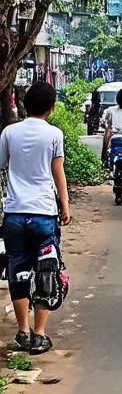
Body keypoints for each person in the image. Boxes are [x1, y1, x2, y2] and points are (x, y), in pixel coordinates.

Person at [0, 81, 71, 354]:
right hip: (44, 213)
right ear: (51, 108)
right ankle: (40, 334)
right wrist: (64, 205)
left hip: (15, 213)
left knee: (17, 268)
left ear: (25, 103)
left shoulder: (9, 132)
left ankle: (22, 330)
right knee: (47, 271)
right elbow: (58, 173)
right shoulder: (54, 134)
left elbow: (1, 164)